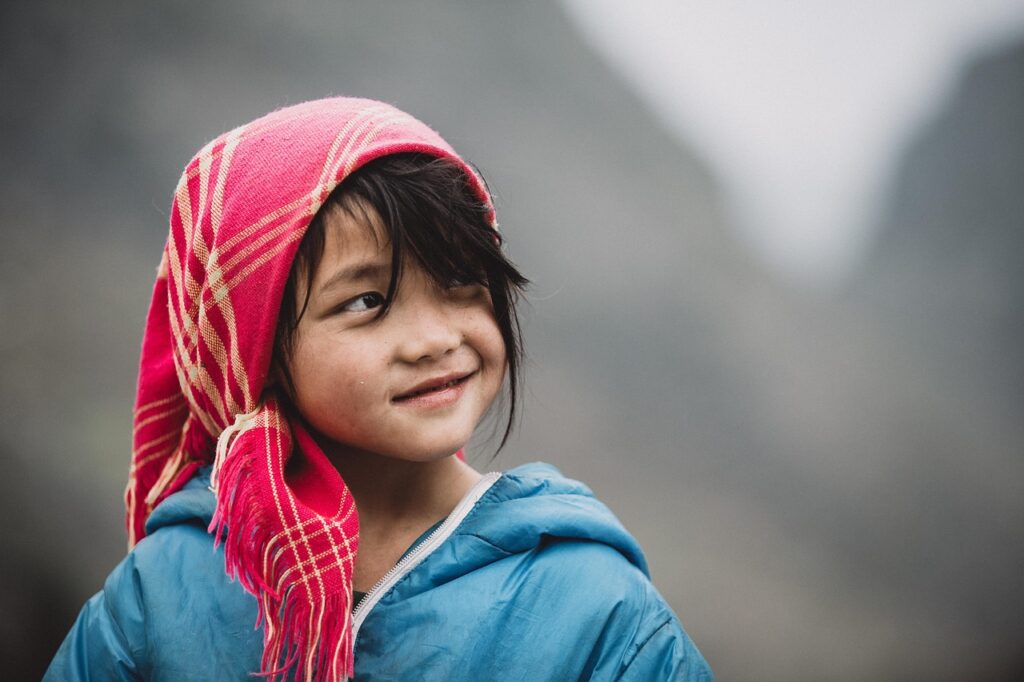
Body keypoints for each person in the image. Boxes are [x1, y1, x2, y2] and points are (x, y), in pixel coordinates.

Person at [46, 97, 713, 681]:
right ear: (258, 350)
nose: (432, 339)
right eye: (367, 301)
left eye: (459, 284)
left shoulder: (594, 609)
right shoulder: (166, 589)